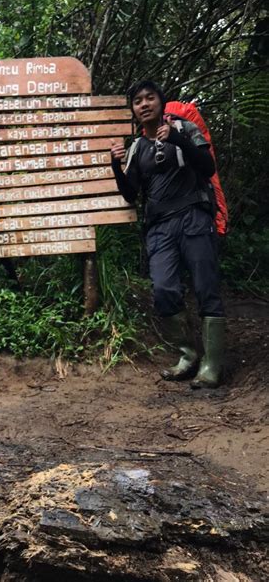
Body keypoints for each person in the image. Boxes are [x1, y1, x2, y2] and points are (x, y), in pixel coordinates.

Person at [110, 80, 225, 388]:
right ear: (133, 110)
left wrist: (177, 139)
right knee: (163, 290)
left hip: (193, 218)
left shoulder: (184, 129)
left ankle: (213, 364)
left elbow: (207, 166)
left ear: (161, 103)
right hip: (160, 227)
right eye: (138, 101)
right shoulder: (137, 148)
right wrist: (115, 167)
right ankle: (188, 356)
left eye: (150, 98)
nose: (144, 104)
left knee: (206, 287)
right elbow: (130, 194)